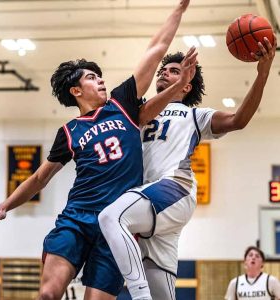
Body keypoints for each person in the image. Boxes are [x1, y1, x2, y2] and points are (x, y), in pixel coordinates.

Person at [0, 1, 196, 300]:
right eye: (92, 77)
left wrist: (179, 10)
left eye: (100, 75)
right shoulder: (69, 132)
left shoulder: (122, 105)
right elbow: (40, 178)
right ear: (76, 91)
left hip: (117, 227)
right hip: (77, 218)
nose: (101, 79)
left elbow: (156, 48)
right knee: (47, 293)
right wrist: (4, 206)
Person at [98, 35, 278, 300]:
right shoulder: (138, 113)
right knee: (162, 293)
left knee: (110, 217)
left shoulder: (195, 115)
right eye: (163, 70)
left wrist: (262, 73)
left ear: (186, 85)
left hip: (173, 189)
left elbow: (238, 120)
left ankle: (138, 294)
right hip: (148, 204)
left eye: (174, 71)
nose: (164, 73)